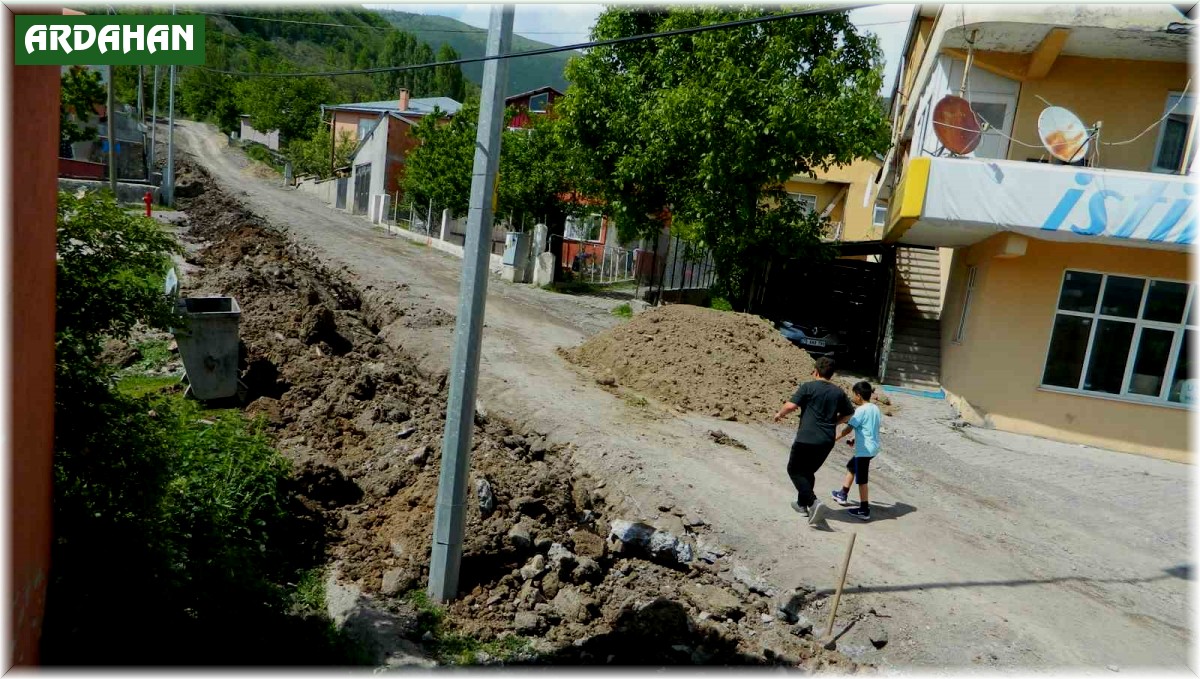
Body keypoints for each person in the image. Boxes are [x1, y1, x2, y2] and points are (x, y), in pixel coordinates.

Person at [773, 356, 855, 527]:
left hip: (807, 438)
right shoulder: (838, 392)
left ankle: (813, 502)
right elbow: (848, 414)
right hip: (826, 440)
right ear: (831, 374)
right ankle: (802, 505)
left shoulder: (808, 387)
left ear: (816, 371)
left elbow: (790, 406)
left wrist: (779, 414)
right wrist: (835, 422)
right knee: (807, 472)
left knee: (794, 470)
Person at [832, 381, 882, 521]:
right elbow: (868, 428)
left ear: (859, 396)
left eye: (853, 394)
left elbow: (848, 428)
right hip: (872, 447)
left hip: (864, 450)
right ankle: (842, 493)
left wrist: (835, 439)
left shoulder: (860, 411)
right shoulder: (875, 408)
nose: (852, 397)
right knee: (851, 467)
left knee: (862, 480)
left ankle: (864, 509)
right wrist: (855, 438)